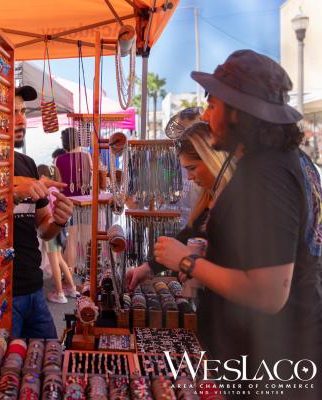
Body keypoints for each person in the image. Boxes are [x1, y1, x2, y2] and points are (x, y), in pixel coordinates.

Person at [153, 50, 322, 397]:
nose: (205, 113)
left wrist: (187, 261)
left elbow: (269, 292)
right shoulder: (286, 163)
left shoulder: (267, 175)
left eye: (212, 105)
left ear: (238, 112)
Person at [126, 120, 235, 290]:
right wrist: (148, 267)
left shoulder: (236, 201)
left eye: (192, 168)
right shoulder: (208, 199)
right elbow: (190, 233)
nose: (189, 177)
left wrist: (191, 263)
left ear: (211, 159)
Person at [12, 85, 74, 339]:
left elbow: (44, 228)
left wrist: (58, 220)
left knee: (50, 362)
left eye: (23, 112)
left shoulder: (27, 163)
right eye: (12, 112)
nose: (21, 120)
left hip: (33, 288)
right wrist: (13, 189)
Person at [37, 164, 78, 304]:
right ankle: (72, 288)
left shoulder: (46, 191)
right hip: (59, 232)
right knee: (60, 259)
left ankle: (60, 293)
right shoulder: (55, 190)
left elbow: (45, 215)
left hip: (51, 231)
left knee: (54, 261)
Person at [55, 128, 92, 197]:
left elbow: (58, 183)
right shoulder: (87, 156)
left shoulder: (58, 160)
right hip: (85, 199)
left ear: (63, 142)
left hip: (66, 201)